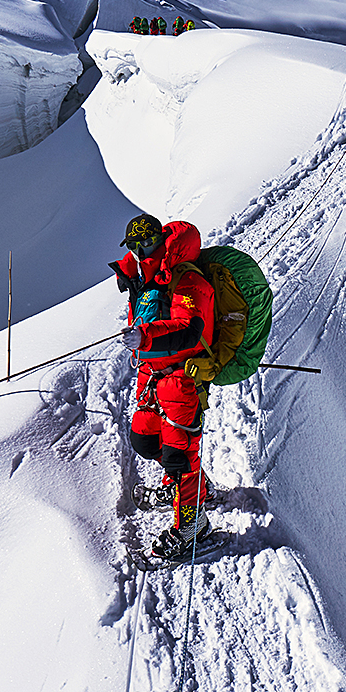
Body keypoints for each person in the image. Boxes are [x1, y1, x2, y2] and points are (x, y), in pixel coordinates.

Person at [111, 213, 217, 558]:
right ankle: (192, 488)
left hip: (182, 376)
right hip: (151, 374)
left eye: (149, 242)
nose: (143, 249)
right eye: (137, 245)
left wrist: (146, 337)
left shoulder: (185, 278)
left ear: (161, 240)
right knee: (144, 440)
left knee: (179, 454)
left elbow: (189, 329)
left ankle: (192, 528)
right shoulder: (141, 279)